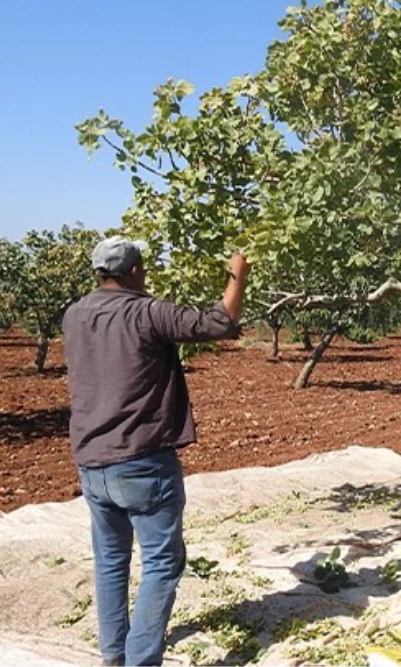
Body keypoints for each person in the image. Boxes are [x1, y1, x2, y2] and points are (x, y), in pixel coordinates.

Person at [62, 236, 250, 667]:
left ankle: (113, 654)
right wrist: (238, 271)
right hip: (142, 461)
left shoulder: (74, 315)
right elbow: (220, 322)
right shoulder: (146, 311)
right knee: (162, 563)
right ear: (133, 271)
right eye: (142, 267)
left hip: (91, 460)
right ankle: (140, 660)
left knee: (111, 560)